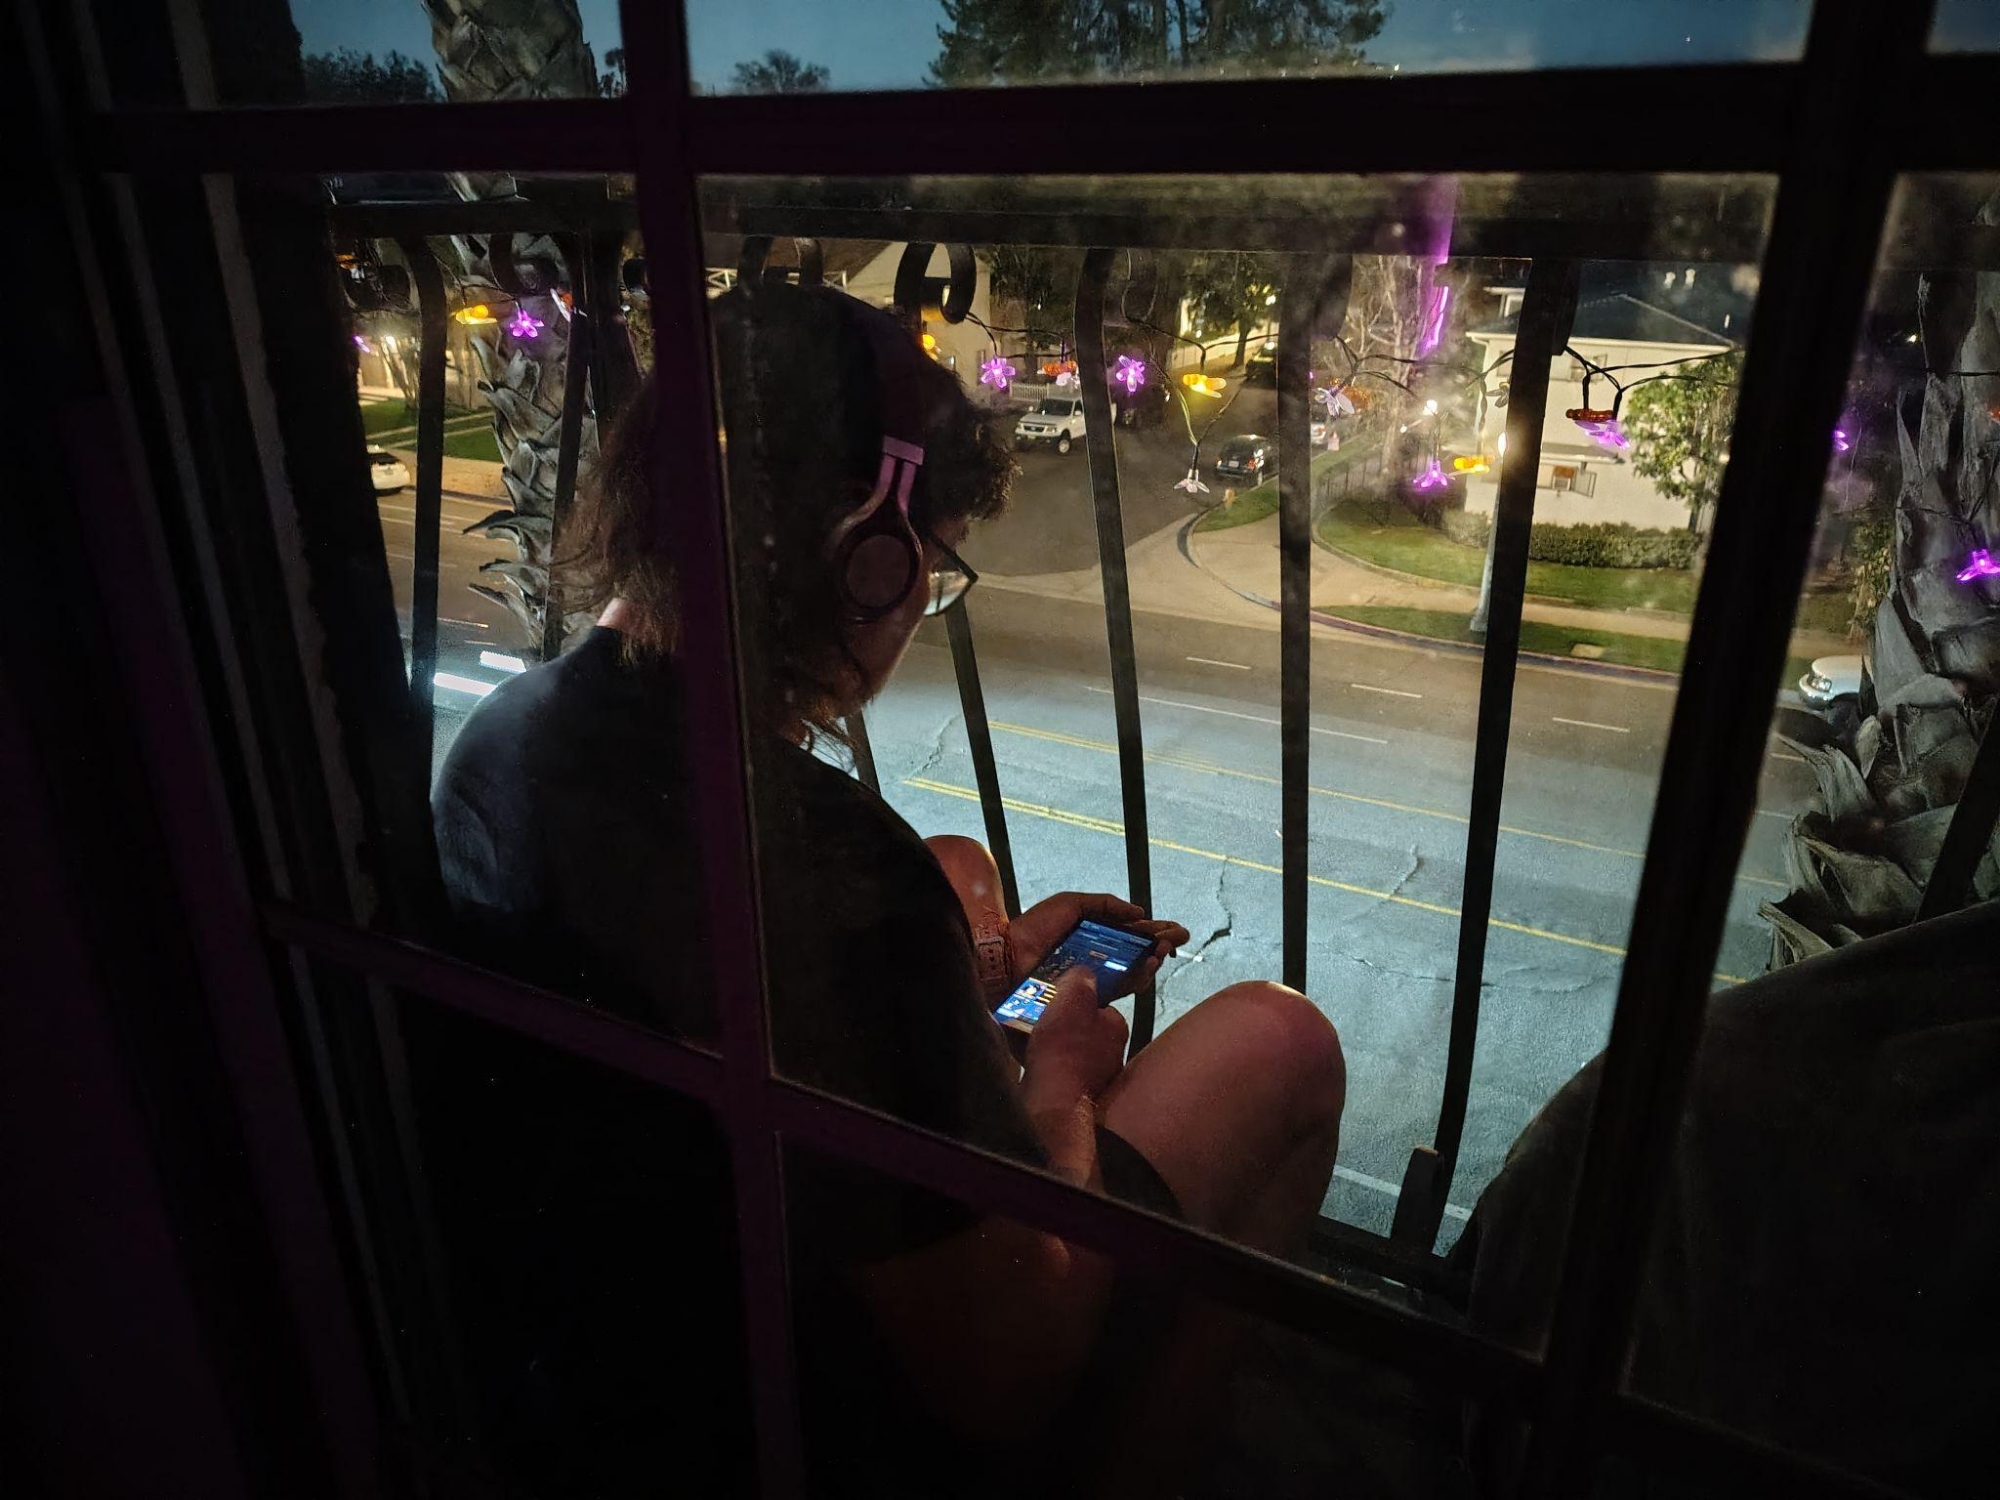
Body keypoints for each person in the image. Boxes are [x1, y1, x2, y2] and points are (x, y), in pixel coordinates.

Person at [430, 282, 1346, 1495]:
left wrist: (969, 979)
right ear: (868, 556)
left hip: (602, 1337)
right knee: (1279, 1042)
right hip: (808, 1401)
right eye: (933, 562)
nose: (920, 599)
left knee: (958, 865)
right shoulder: (830, 874)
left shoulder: (508, 734)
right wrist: (1062, 1082)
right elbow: (1005, 1363)